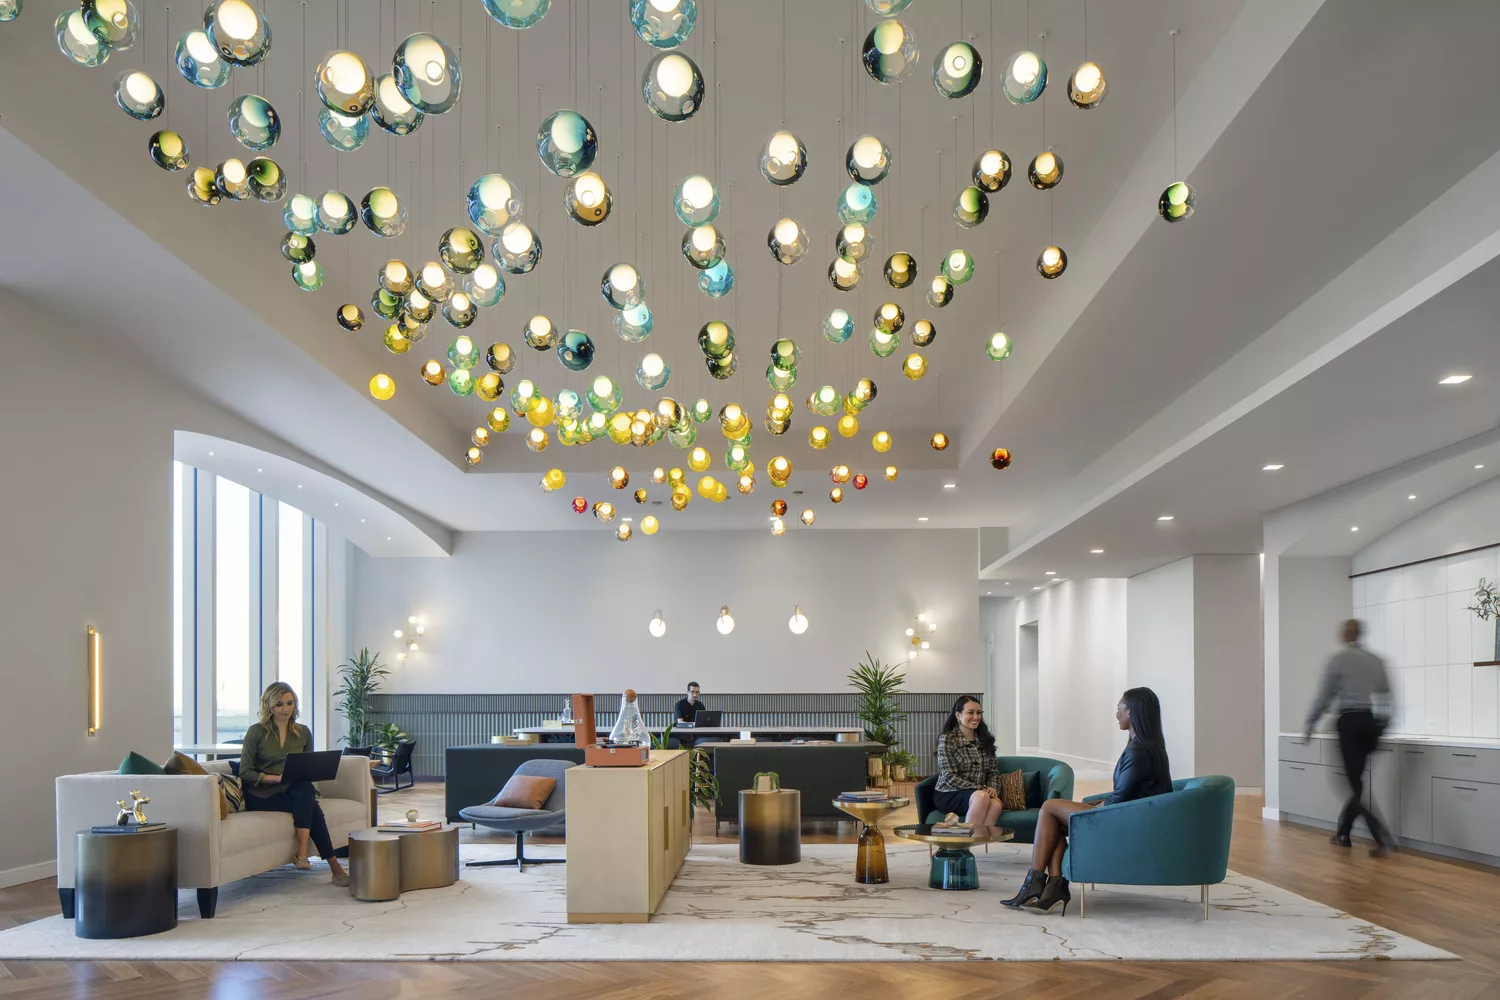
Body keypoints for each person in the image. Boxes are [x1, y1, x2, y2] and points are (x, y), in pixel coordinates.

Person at [1000, 687, 1172, 915]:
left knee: (1049, 808)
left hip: (1125, 823)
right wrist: (1098, 803)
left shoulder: (1139, 750)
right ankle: (1053, 888)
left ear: (1131, 712)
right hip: (1130, 816)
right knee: (1054, 822)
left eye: (1119, 708)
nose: (1116, 713)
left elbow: (1122, 800)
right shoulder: (1146, 746)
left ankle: (1034, 884)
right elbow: (1131, 794)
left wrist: (1099, 806)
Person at [239, 681, 349, 886]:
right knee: (311, 807)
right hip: (262, 794)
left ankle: (302, 855)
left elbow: (307, 767)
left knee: (306, 792)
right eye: (279, 704)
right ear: (269, 706)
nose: (285, 708)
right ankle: (333, 867)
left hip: (293, 791)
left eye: (290, 703)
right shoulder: (256, 732)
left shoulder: (303, 732)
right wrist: (274, 778)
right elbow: (245, 771)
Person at [1304, 618, 1395, 856]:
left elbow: (1324, 696)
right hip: (1369, 721)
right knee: (1356, 783)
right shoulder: (1376, 661)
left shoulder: (1338, 660)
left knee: (1350, 785)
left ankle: (1381, 836)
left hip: (1350, 723)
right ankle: (1343, 834)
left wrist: (1311, 722)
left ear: (1346, 635)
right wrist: (1383, 727)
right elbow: (1387, 696)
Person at [933, 696, 1004, 828]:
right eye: (970, 712)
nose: (976, 717)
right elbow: (949, 777)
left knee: (996, 805)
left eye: (979, 713)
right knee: (982, 797)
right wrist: (981, 789)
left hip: (979, 793)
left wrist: (993, 789)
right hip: (949, 793)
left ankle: (978, 845)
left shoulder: (986, 740)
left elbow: (993, 772)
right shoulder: (947, 739)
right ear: (958, 715)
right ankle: (964, 842)